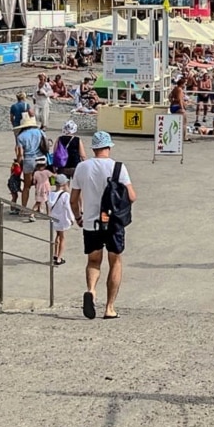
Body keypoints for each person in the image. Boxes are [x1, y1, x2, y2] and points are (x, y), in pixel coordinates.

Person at [70, 131, 135, 320]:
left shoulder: (82, 168)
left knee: (93, 261)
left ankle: (91, 290)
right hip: (113, 222)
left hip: (91, 222)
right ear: (109, 147)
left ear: (93, 149)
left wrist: (78, 217)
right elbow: (131, 196)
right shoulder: (118, 168)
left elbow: (74, 199)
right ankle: (109, 308)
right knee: (115, 261)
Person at [14, 116, 47, 215]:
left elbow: (20, 153)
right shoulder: (40, 132)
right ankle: (39, 206)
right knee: (40, 185)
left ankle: (24, 208)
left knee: (27, 186)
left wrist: (18, 162)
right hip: (41, 159)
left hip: (29, 160)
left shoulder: (21, 136)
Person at [48, 173, 72, 265]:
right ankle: (59, 258)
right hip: (62, 218)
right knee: (62, 237)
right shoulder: (65, 195)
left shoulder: (51, 193)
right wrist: (72, 218)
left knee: (57, 236)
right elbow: (67, 208)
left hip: (54, 217)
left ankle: (55, 253)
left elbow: (49, 205)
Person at [168, 77, 192, 142]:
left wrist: (172, 101)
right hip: (178, 107)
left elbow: (170, 96)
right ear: (182, 84)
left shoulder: (175, 88)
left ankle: (176, 136)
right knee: (184, 123)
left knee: (176, 123)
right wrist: (182, 108)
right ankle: (184, 137)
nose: (185, 85)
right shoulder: (180, 90)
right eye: (185, 84)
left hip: (173, 107)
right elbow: (180, 100)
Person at [31, 157, 52, 222]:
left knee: (38, 202)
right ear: (45, 165)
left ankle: (32, 214)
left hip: (39, 189)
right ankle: (48, 214)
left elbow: (34, 182)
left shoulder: (36, 173)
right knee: (47, 202)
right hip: (46, 189)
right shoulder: (47, 172)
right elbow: (53, 176)